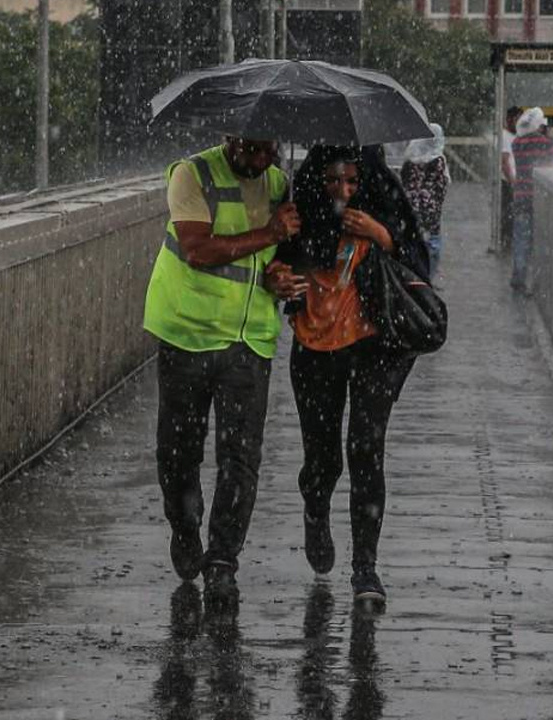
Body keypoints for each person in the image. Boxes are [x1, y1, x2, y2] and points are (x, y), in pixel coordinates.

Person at [143, 136, 305, 602]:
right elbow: (197, 249)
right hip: (187, 332)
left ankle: (222, 559)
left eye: (268, 151)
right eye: (251, 151)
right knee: (178, 452)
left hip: (248, 338)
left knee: (240, 458)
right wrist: (271, 234)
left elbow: (277, 258)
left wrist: (280, 272)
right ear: (230, 139)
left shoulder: (279, 182)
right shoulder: (191, 175)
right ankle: (185, 524)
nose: (260, 161)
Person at [274, 145, 429, 606]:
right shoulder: (300, 217)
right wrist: (280, 276)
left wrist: (382, 235)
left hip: (375, 347)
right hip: (316, 349)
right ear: (317, 182)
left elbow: (419, 266)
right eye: (333, 181)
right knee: (324, 458)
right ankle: (316, 508)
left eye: (352, 182)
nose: (343, 191)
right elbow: (275, 265)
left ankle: (366, 569)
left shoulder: (385, 211)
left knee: (366, 450)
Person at [509, 107, 553, 293]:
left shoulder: (517, 143)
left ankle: (518, 277)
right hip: (539, 198)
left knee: (521, 239)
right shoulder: (546, 142)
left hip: (521, 196)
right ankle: (538, 282)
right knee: (540, 239)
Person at [400, 123, 451, 283]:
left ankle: (414, 274)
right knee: (432, 244)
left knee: (413, 240)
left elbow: (403, 182)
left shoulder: (409, 160)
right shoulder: (438, 161)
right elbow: (441, 186)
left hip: (410, 211)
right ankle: (428, 278)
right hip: (431, 212)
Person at [495, 106, 523, 254]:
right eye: (517, 119)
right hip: (509, 182)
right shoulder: (505, 136)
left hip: (518, 181)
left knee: (515, 213)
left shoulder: (518, 136)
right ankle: (507, 242)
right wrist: (513, 182)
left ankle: (512, 241)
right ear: (509, 120)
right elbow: (504, 161)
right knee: (508, 213)